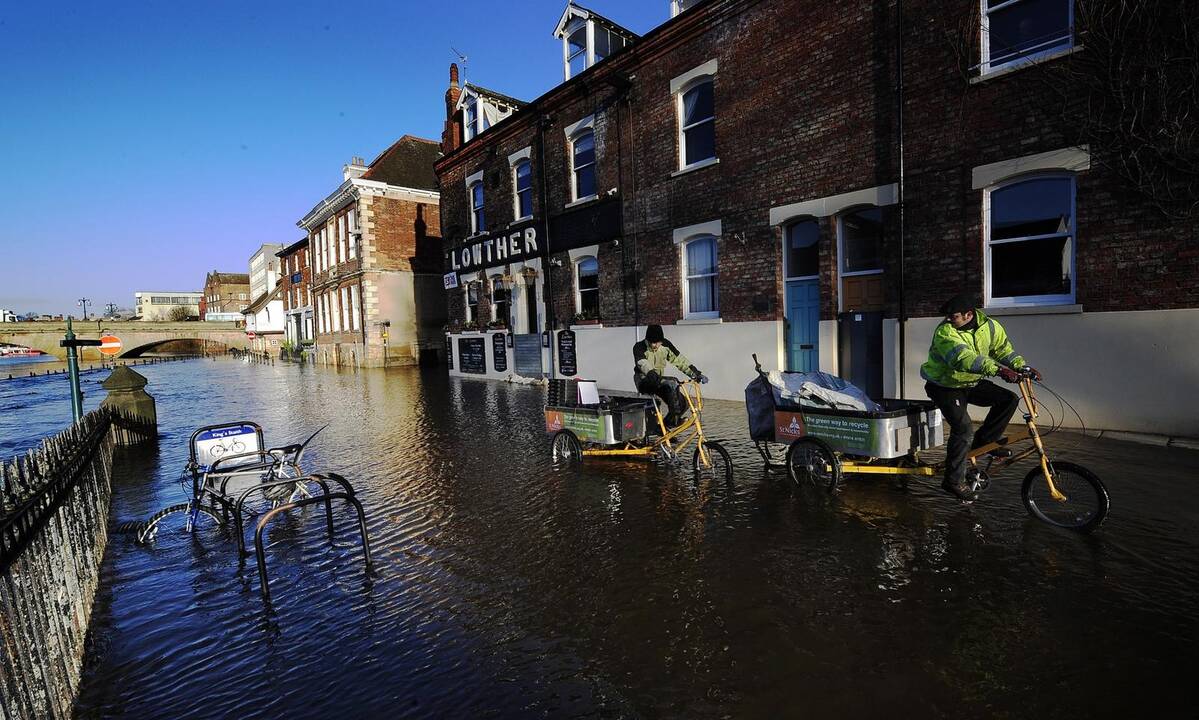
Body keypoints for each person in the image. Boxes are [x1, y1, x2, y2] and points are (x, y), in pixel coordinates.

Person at [921, 293, 1041, 501]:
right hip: (945, 386)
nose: (949, 319)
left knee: (1008, 399)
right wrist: (998, 370)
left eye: (953, 316)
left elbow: (1003, 350)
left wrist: (1022, 367)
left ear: (969, 314)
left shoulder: (990, 326)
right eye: (948, 316)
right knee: (963, 429)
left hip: (970, 383)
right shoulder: (945, 332)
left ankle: (985, 444)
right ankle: (952, 481)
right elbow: (963, 358)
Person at [633, 324, 706, 427]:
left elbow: (679, 360)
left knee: (683, 403)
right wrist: (651, 373)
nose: (655, 345)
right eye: (652, 342)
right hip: (644, 380)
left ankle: (665, 426)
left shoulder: (665, 345)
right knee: (671, 383)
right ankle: (673, 421)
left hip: (659, 381)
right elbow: (642, 363)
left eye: (658, 342)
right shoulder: (639, 347)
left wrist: (696, 374)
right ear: (647, 340)